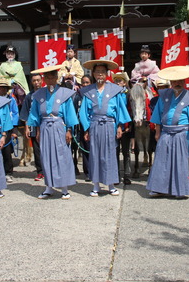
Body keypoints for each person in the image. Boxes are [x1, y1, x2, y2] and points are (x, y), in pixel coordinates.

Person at [146, 66, 189, 199]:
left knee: (179, 161)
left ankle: (179, 189)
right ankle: (159, 188)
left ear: (184, 82)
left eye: (180, 81)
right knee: (161, 160)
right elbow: (157, 115)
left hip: (181, 133)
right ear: (171, 82)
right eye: (175, 81)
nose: (177, 83)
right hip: (166, 131)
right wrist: (157, 131)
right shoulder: (164, 95)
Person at [79, 60, 131, 196]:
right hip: (94, 125)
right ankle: (96, 185)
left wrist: (120, 126)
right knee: (95, 154)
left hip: (110, 124)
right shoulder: (88, 91)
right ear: (93, 74)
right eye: (97, 72)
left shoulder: (115, 90)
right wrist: (86, 129)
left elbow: (120, 109)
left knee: (110, 154)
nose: (100, 74)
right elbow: (83, 112)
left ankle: (111, 184)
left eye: (102, 72)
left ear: (107, 74)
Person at [27, 64, 79, 200]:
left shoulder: (64, 93)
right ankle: (48, 187)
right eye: (47, 77)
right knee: (46, 156)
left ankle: (64, 188)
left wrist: (69, 130)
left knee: (62, 156)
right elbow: (35, 115)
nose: (50, 79)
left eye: (53, 77)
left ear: (57, 77)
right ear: (44, 79)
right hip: (44, 127)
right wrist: (37, 130)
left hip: (59, 126)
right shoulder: (39, 95)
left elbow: (69, 113)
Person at [19, 73, 44, 181]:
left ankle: (49, 170)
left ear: (42, 81)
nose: (36, 83)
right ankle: (40, 171)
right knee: (37, 150)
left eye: (38, 80)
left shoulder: (46, 93)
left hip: (46, 125)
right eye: (34, 80)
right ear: (31, 82)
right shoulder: (29, 96)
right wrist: (27, 127)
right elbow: (26, 113)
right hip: (34, 125)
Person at [0, 76, 20, 183]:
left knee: (7, 150)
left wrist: (14, 129)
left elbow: (15, 113)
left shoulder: (11, 99)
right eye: (0, 87)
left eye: (5, 87)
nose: (3, 89)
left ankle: (8, 172)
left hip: (8, 127)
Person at [112, 71, 134, 185]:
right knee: (115, 152)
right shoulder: (111, 94)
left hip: (125, 128)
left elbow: (131, 111)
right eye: (116, 81)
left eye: (120, 81)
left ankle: (126, 175)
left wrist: (130, 125)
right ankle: (115, 175)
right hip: (113, 126)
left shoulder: (128, 94)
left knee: (126, 152)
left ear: (125, 83)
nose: (117, 83)